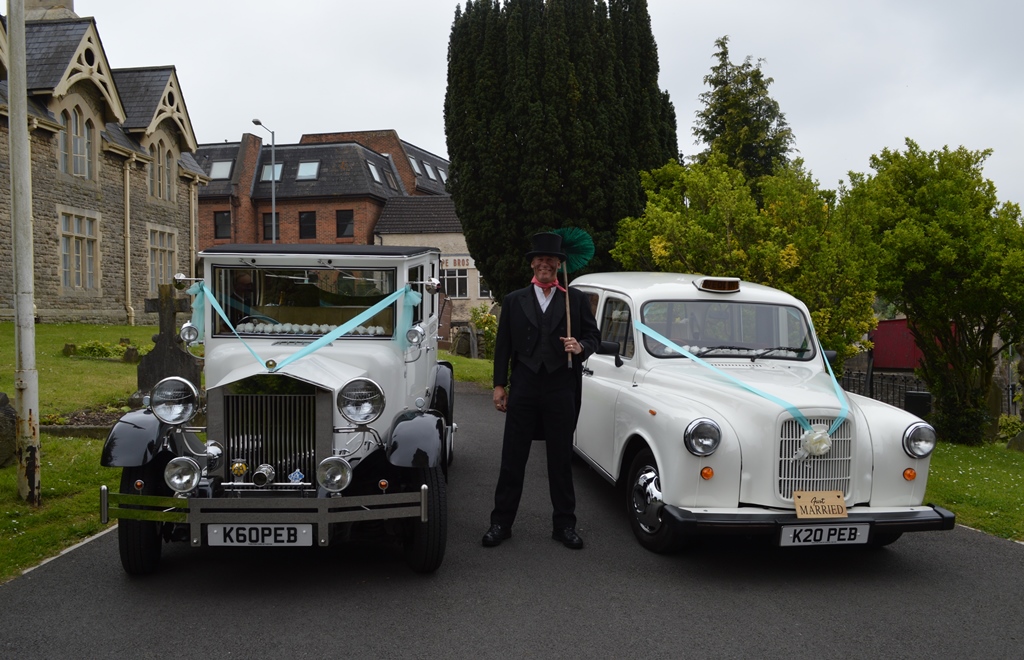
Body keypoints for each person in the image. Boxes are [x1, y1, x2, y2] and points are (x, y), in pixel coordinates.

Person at [483, 232, 601, 549]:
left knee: (560, 460)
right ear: (533, 264)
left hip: (561, 385)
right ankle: (500, 523)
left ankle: (564, 526)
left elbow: (594, 337)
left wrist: (581, 346)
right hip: (524, 384)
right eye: (540, 259)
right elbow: (503, 347)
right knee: (512, 458)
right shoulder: (514, 300)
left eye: (551, 259)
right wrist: (498, 385)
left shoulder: (574, 300)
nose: (545, 264)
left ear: (559, 264)